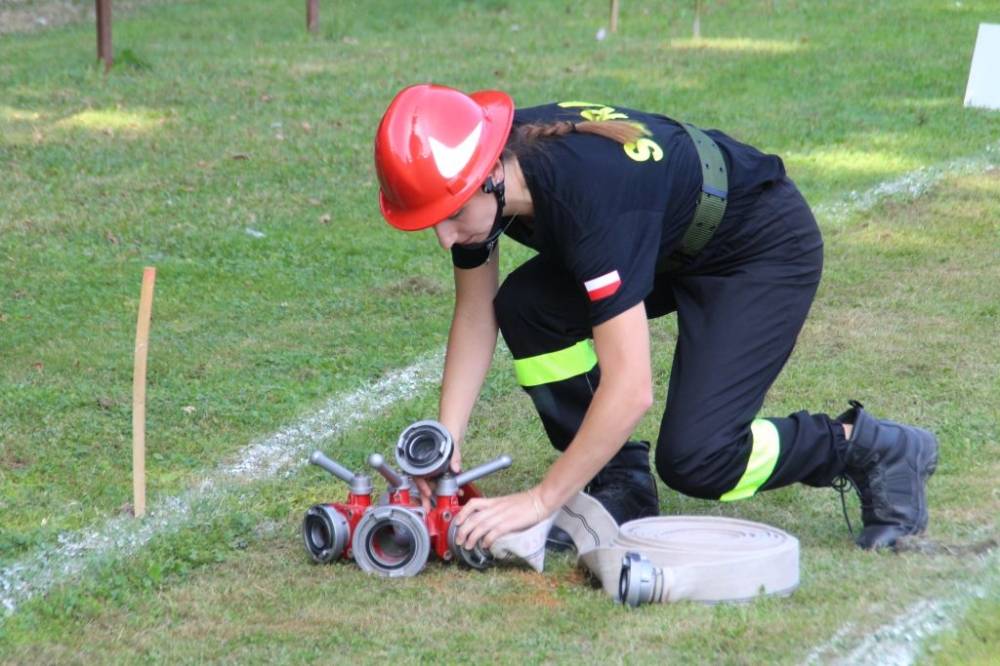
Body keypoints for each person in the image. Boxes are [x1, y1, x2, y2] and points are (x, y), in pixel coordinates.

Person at [372, 83, 938, 554]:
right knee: (527, 307)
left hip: (758, 247)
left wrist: (540, 501)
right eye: (431, 220)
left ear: (490, 175)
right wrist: (443, 445)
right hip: (666, 237)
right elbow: (477, 312)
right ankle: (620, 482)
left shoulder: (590, 201)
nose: (444, 236)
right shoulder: (487, 166)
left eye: (450, 215)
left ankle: (869, 446)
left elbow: (631, 388)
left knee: (700, 458)